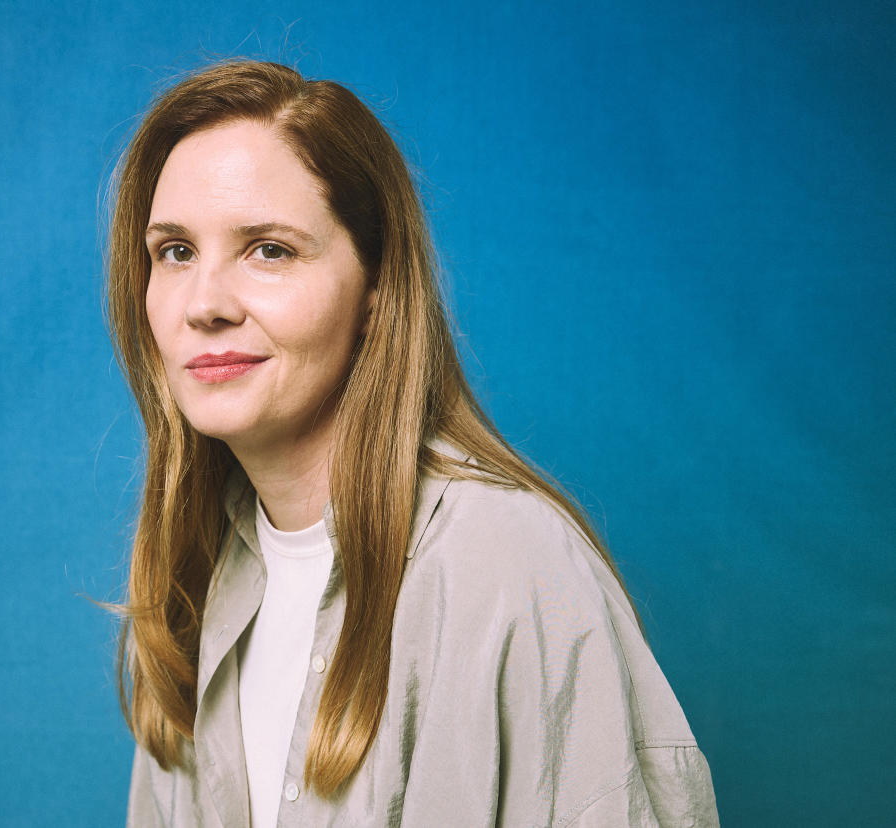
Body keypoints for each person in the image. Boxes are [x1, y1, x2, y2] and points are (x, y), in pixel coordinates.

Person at [106, 59, 719, 827]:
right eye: (176, 251)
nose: (204, 304)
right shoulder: (200, 576)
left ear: (376, 291)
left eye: (269, 249)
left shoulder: (511, 565)